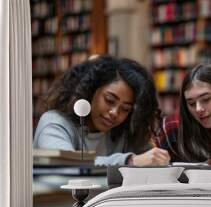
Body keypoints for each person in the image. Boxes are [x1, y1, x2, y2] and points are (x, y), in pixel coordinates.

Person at [34, 55, 170, 166]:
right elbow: (67, 164)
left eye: (125, 109)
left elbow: (149, 159)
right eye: (109, 100)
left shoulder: (125, 130)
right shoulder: (54, 122)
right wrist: (129, 161)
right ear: (90, 91)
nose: (115, 113)